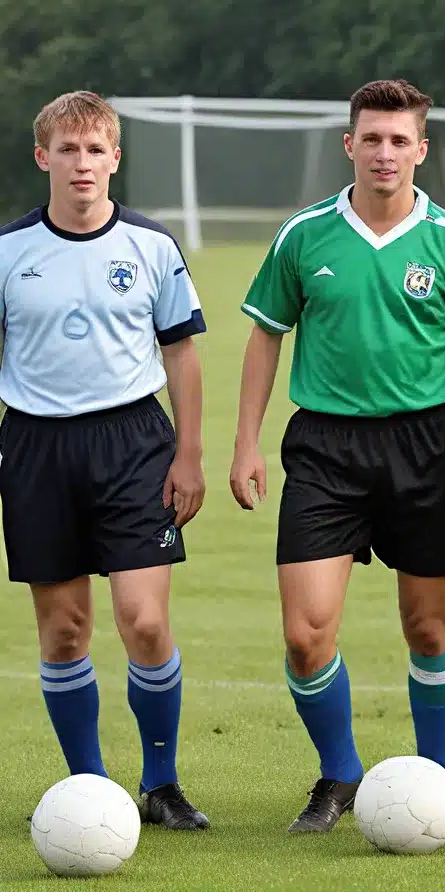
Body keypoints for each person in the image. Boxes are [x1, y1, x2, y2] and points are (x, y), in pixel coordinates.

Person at [229, 78, 445, 833]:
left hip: (429, 443)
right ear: (349, 144)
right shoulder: (304, 236)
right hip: (325, 447)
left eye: (399, 140)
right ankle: (339, 775)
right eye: (372, 138)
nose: (385, 152)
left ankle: (432, 782)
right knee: (305, 632)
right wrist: (246, 441)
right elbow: (265, 337)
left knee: (429, 628)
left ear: (421, 149)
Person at [0, 91, 208, 829]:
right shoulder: (9, 251)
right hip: (35, 445)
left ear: (115, 158)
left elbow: (180, 352)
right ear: (42, 158)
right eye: (68, 150)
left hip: (133, 444)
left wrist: (189, 452)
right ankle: (90, 791)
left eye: (95, 150)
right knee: (62, 631)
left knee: (144, 622)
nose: (82, 163)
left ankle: (161, 782)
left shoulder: (151, 246)